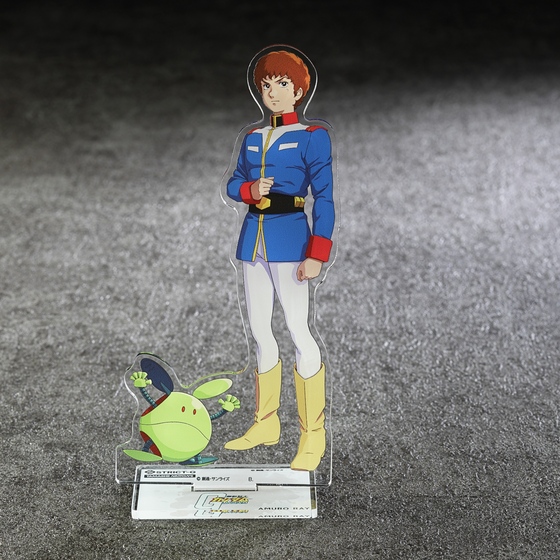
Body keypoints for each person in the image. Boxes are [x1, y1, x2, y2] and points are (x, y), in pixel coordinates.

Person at [224, 50, 335, 471]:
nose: (272, 92)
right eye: (266, 85)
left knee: (299, 331)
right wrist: (249, 190)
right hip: (254, 238)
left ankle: (313, 436)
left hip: (291, 239)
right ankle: (266, 423)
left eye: (282, 84)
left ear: (299, 90)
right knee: (259, 329)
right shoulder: (253, 137)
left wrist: (318, 253)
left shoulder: (312, 136)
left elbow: (325, 199)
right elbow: (234, 183)